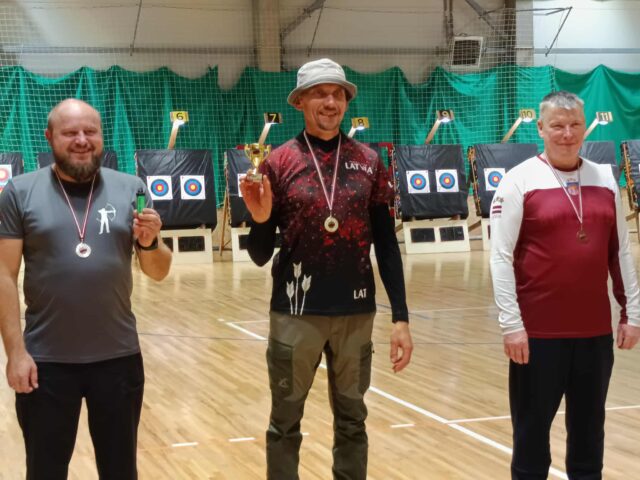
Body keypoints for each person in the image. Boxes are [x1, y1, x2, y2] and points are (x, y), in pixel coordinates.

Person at [240, 58, 413, 480]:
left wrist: (401, 317)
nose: (331, 102)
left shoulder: (369, 162)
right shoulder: (279, 162)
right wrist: (260, 219)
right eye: (320, 93)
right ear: (300, 101)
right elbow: (260, 255)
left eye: (338, 94)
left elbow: (387, 244)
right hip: (295, 313)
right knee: (285, 423)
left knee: (353, 421)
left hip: (356, 312)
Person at [0, 98, 172, 479]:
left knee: (120, 471)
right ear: (49, 137)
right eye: (70, 132)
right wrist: (15, 353)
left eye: (90, 131)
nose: (81, 140)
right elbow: (4, 275)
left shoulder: (132, 188)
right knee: (45, 471)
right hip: (45, 364)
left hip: (119, 360)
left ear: (101, 136)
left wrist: (149, 243)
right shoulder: (19, 192)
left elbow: (158, 271)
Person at [490, 90, 640, 479]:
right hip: (537, 337)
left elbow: (620, 251)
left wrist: (633, 313)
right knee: (531, 438)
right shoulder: (518, 180)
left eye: (575, 125)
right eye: (557, 125)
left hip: (594, 335)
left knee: (590, 437)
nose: (567, 134)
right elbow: (500, 257)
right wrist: (511, 325)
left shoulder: (605, 179)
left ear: (584, 126)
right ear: (541, 128)